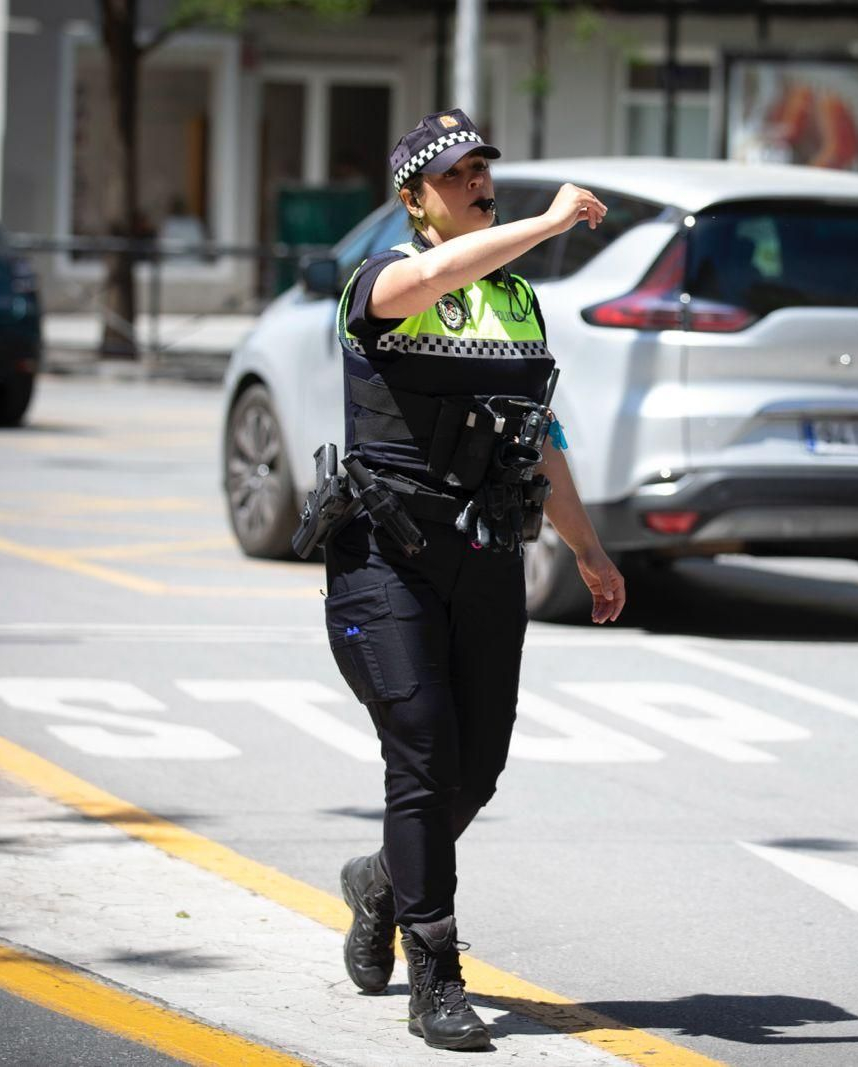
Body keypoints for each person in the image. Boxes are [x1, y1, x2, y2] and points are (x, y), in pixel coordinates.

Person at [324, 108, 626, 1052]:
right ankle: (438, 976)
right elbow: (437, 277)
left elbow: (541, 444)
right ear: (415, 197)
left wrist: (587, 547)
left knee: (476, 768)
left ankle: (383, 880)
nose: (478, 182)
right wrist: (543, 223)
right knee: (419, 751)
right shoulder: (382, 281)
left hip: (488, 555)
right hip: (385, 557)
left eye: (483, 169)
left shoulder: (520, 305)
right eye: (455, 174)